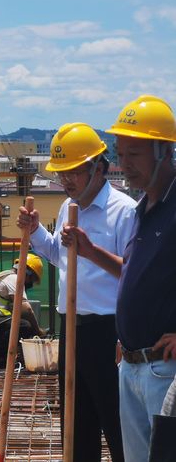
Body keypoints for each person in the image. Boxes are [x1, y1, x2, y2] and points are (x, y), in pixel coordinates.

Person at [17, 122, 135, 462]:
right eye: (61, 173)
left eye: (73, 172)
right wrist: (36, 231)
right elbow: (59, 255)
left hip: (108, 332)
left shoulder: (123, 211)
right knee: (76, 424)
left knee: (117, 424)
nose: (66, 180)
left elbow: (133, 273)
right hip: (71, 328)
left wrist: (90, 251)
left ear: (97, 168)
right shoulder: (70, 207)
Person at [96, 95, 176, 462]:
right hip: (132, 366)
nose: (123, 164)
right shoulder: (142, 208)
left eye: (134, 154)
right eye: (120, 153)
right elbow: (136, 276)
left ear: (164, 152)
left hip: (164, 370)